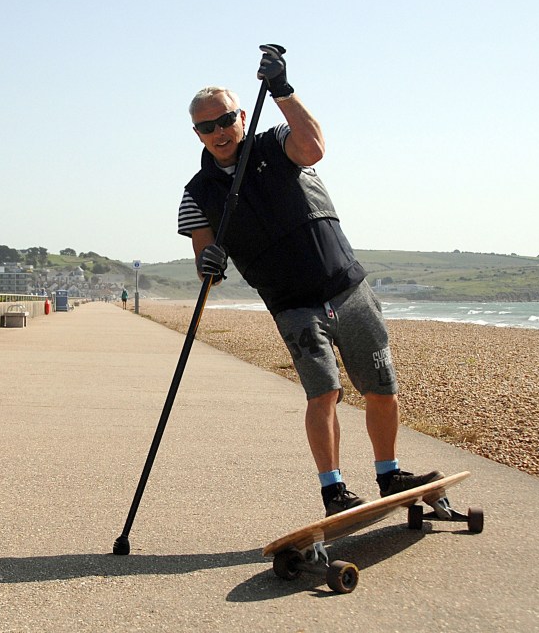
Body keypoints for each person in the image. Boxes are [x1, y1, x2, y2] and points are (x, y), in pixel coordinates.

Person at [177, 45, 442, 516]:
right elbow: (206, 269)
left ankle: (389, 473)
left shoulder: (277, 142)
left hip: (346, 287)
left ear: (241, 116)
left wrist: (281, 89)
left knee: (380, 386)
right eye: (205, 126)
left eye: (224, 120)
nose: (218, 132)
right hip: (292, 305)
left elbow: (314, 147)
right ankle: (333, 489)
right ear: (195, 132)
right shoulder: (197, 194)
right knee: (323, 393)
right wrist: (211, 263)